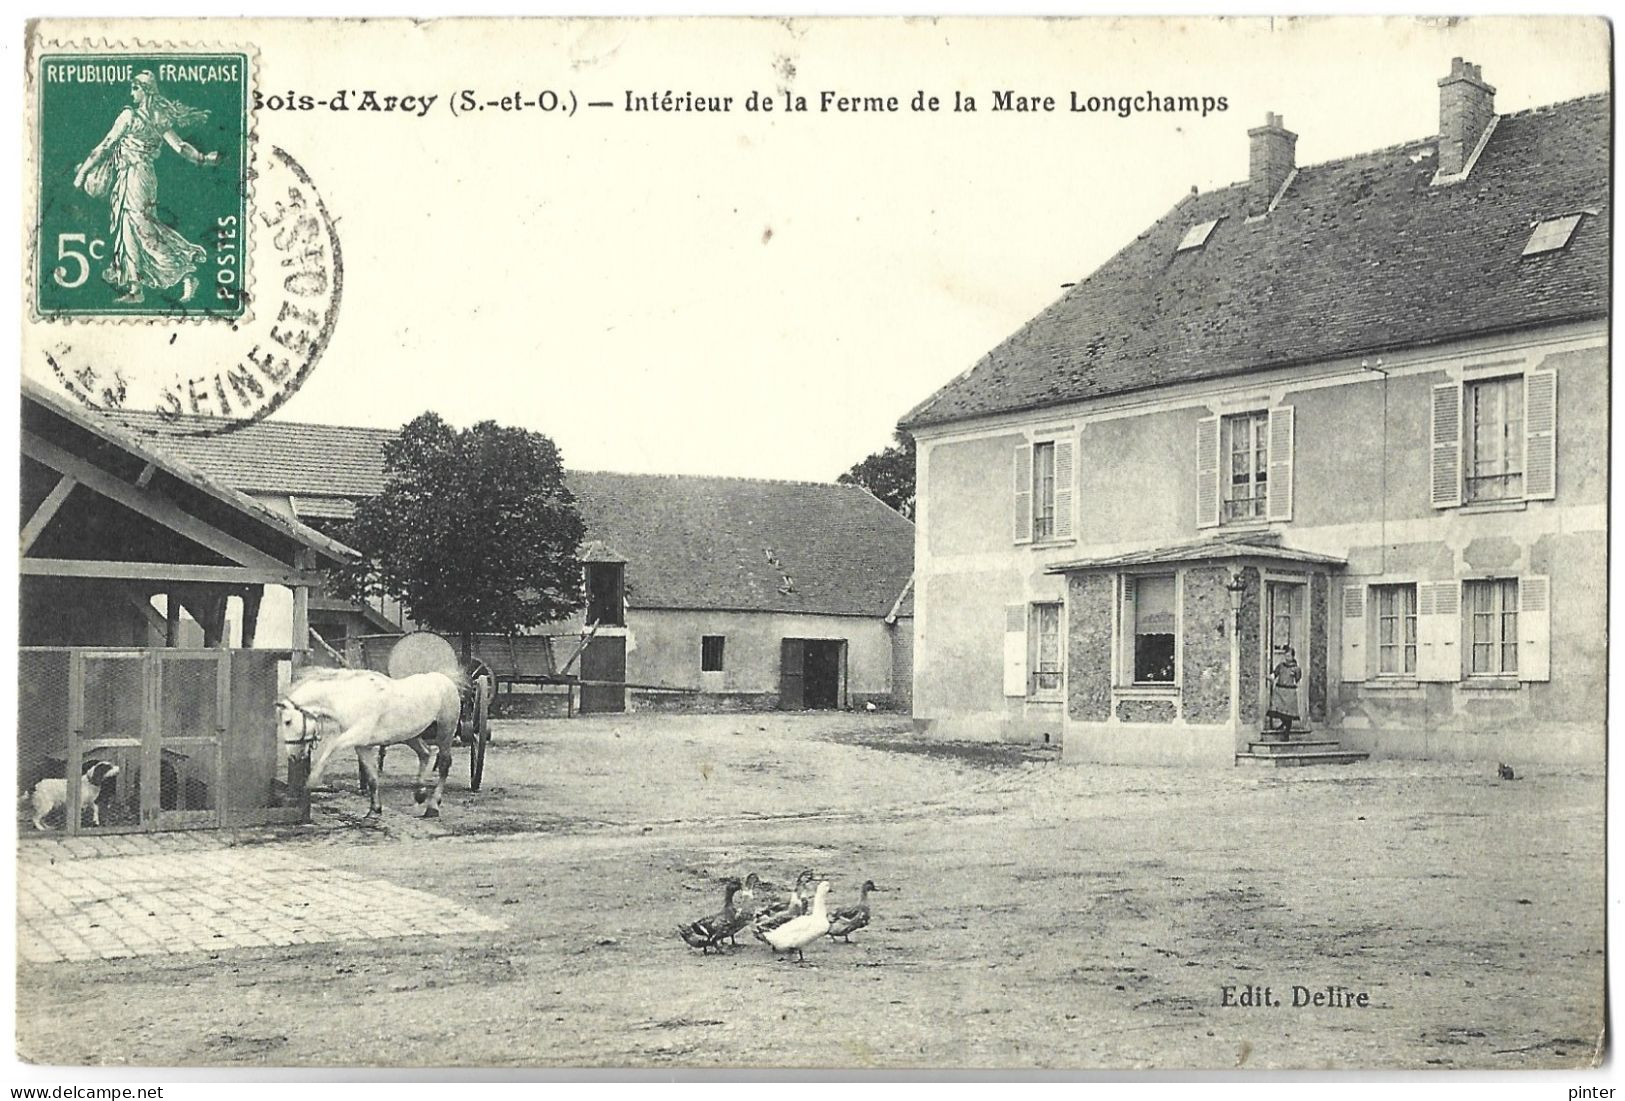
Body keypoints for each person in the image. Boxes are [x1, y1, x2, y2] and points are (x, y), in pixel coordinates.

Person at [72, 71, 220, 305]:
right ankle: (135, 288)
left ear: (145, 90)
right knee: (129, 228)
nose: (131, 93)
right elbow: (180, 147)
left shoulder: (129, 116)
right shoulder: (158, 116)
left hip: (135, 176)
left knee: (141, 227)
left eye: (135, 88)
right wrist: (202, 158)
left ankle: (185, 272)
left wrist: (82, 173)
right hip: (139, 177)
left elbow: (105, 145)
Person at [1267, 645, 1302, 734]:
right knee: (1278, 709)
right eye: (1286, 656)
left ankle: (1287, 730)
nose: (1287, 658)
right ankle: (1284, 723)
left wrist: (1294, 676)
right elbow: (1275, 674)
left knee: (1288, 713)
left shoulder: (1296, 668)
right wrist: (1270, 677)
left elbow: (1298, 680)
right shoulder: (1281, 666)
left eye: (1289, 656)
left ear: (1293, 657)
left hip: (1289, 692)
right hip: (1280, 690)